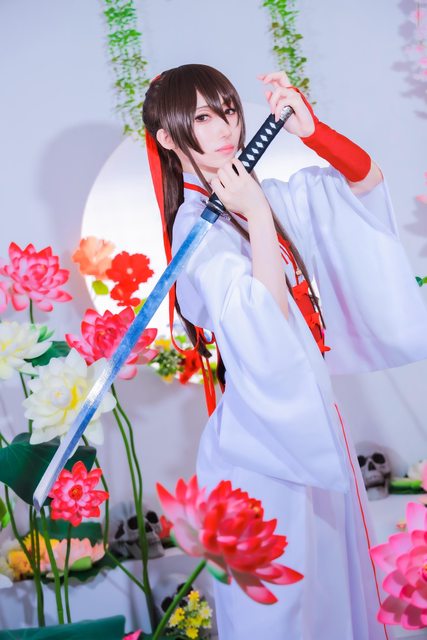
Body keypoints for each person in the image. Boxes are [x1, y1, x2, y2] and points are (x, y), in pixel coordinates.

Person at [142, 64, 427, 640]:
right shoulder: (195, 228)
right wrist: (256, 213)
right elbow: (264, 323)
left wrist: (314, 132)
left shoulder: (258, 198)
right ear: (168, 138)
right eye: (203, 117)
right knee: (285, 614)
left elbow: (364, 185)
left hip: (311, 423)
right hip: (262, 443)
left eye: (228, 110)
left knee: (336, 595)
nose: (225, 127)